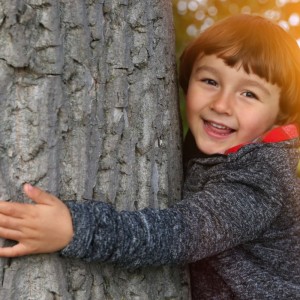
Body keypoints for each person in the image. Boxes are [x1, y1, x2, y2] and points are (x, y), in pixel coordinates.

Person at [0, 14, 299, 299]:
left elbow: (178, 233)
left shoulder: (260, 181)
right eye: (210, 81)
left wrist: (74, 229)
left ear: (279, 115)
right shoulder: (212, 146)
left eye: (249, 94)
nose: (221, 104)